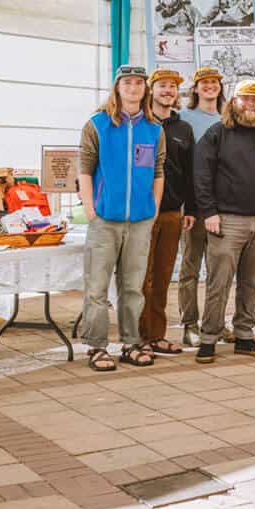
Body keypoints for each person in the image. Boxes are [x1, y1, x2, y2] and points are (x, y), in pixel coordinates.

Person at [192, 80, 255, 363]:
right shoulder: (218, 133)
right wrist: (209, 213)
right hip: (227, 222)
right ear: (233, 102)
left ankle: (245, 335)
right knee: (219, 283)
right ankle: (209, 338)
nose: (250, 104)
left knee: (250, 283)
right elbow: (201, 174)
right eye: (245, 99)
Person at [78, 65, 165, 372]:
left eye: (139, 83)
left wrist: (152, 210)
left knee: (133, 288)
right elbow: (85, 170)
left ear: (145, 89)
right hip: (105, 220)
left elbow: (158, 172)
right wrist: (91, 210)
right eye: (127, 82)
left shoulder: (154, 129)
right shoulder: (98, 124)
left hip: (140, 222)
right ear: (117, 88)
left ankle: (131, 342)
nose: (133, 87)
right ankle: (97, 346)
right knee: (97, 288)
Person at [138, 69, 196, 358]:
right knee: (141, 279)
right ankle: (139, 338)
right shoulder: (139, 123)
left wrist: (191, 208)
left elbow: (191, 172)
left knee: (162, 278)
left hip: (172, 212)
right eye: (162, 86)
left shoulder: (182, 128)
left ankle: (157, 336)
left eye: (173, 87)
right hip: (141, 213)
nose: (168, 91)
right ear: (152, 89)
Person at [178, 66, 225, 346]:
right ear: (195, 88)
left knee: (220, 270)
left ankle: (214, 323)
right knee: (190, 268)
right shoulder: (184, 119)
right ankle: (189, 323)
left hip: (223, 207)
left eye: (214, 82)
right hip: (193, 207)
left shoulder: (228, 119)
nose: (210, 86)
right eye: (204, 82)